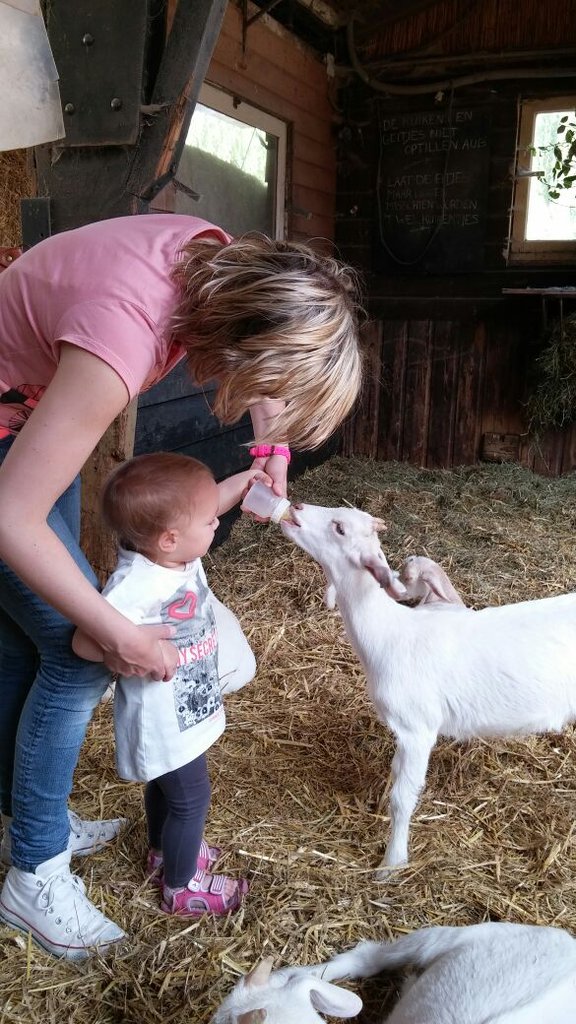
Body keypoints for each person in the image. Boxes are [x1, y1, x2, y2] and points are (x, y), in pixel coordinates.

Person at [0, 213, 363, 959]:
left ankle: (23, 811)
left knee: (23, 635)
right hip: (10, 424)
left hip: (27, 407)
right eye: (278, 392)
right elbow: (10, 518)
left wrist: (271, 447)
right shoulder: (125, 332)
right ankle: (35, 872)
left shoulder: (216, 260)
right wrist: (120, 633)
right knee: (78, 653)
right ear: (250, 346)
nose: (275, 408)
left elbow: (262, 369)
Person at [73, 452, 264, 917]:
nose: (216, 523)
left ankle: (164, 852)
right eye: (208, 521)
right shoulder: (134, 586)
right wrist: (126, 645)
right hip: (161, 720)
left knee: (166, 790)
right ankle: (182, 887)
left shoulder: (173, 552)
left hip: (187, 705)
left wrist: (249, 479)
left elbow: (210, 502)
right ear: (169, 538)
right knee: (191, 797)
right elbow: (82, 641)